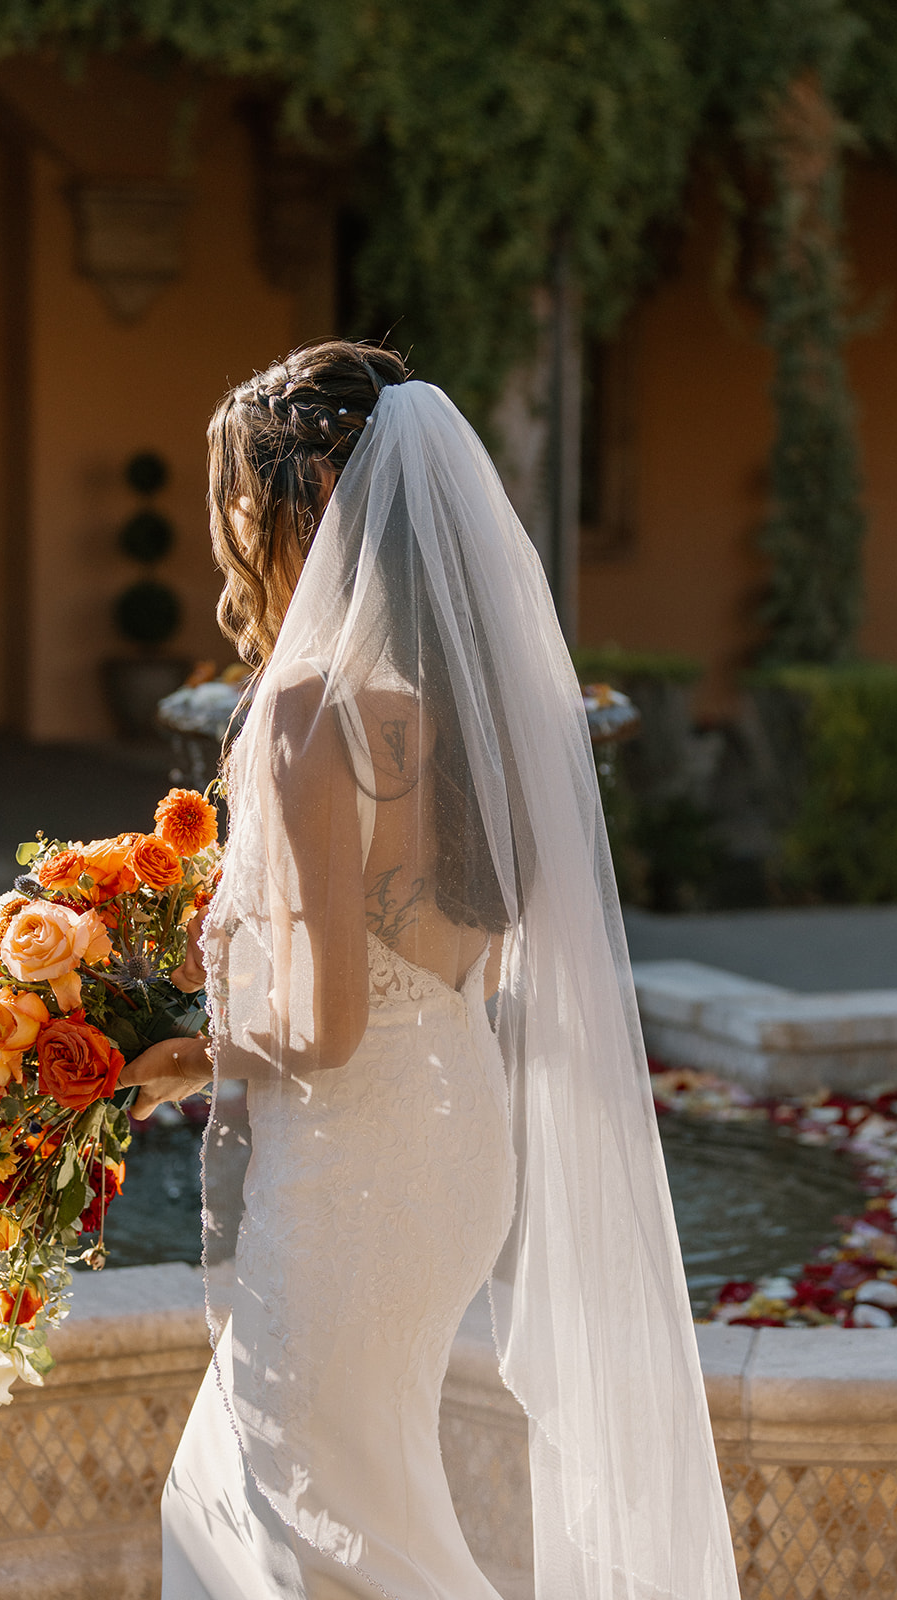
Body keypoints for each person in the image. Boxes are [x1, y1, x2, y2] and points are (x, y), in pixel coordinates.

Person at [120, 341, 740, 1600]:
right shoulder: (473, 709)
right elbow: (467, 947)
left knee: (316, 1531)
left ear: (295, 506)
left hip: (347, 1175)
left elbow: (328, 1023)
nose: (230, 530)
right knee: (335, 1505)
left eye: (239, 499)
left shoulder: (304, 712)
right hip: (452, 1159)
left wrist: (180, 1056)